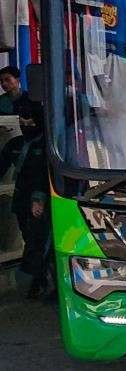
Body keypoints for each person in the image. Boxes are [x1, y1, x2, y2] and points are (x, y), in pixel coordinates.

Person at [0, 99, 52, 298]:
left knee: (37, 243)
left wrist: (38, 199)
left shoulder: (47, 145)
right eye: (22, 123)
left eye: (30, 124)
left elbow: (42, 174)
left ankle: (37, 283)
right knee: (29, 239)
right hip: (22, 201)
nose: (26, 127)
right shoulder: (16, 144)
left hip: (42, 202)